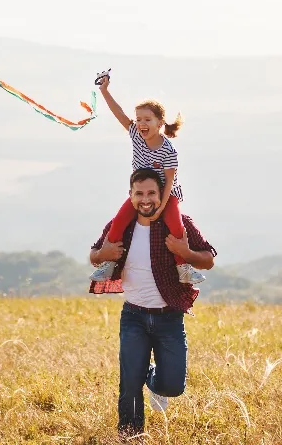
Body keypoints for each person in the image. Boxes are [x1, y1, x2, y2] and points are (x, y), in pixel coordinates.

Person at [88, 167, 218, 438]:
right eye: (139, 193)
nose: (145, 199)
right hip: (133, 315)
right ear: (131, 196)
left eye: (151, 193)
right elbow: (94, 255)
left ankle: (153, 380)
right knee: (129, 384)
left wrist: (185, 252)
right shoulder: (120, 225)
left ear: (162, 196)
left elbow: (208, 259)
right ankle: (130, 437)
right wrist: (104, 253)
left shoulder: (179, 223)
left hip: (169, 316)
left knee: (173, 385)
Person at [88, 74, 206, 285]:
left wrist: (161, 208)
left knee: (176, 227)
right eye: (139, 119)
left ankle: (183, 267)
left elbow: (170, 181)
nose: (141, 124)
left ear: (160, 123)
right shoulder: (135, 134)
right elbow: (119, 113)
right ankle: (109, 264)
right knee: (118, 222)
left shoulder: (168, 150)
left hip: (166, 194)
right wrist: (104, 91)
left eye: (147, 120)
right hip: (141, 192)